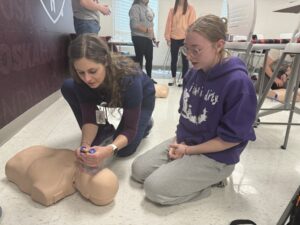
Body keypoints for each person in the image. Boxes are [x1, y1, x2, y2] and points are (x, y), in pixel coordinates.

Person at [131, 15, 257, 205]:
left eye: (196, 50)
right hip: (187, 142)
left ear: (219, 45)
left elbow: (231, 139)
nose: (189, 56)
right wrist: (177, 141)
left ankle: (212, 181)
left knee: (154, 189)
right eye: (186, 49)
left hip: (216, 156)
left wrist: (188, 151)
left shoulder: (238, 83)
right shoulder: (194, 73)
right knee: (138, 170)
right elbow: (185, 116)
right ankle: (184, 171)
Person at [61, 34, 155, 171]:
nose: (87, 79)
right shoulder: (82, 79)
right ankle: (106, 127)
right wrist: (85, 145)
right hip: (106, 97)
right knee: (69, 86)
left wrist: (110, 149)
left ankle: (145, 122)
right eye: (81, 72)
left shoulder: (129, 78)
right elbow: (89, 117)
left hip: (142, 98)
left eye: (93, 71)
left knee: (124, 150)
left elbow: (129, 129)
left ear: (105, 61)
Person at [164, 0, 196, 86]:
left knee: (185, 60)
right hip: (173, 37)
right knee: (173, 59)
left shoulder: (190, 9)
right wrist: (168, 38)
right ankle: (173, 78)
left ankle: (183, 79)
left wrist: (188, 38)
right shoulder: (172, 10)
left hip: (185, 39)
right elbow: (168, 24)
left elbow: (192, 25)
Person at [129, 0, 157, 84]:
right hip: (138, 37)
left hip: (148, 38)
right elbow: (134, 25)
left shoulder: (149, 9)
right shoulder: (135, 8)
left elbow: (151, 25)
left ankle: (148, 79)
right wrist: (147, 30)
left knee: (149, 59)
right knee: (139, 59)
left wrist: (154, 38)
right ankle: (139, 80)